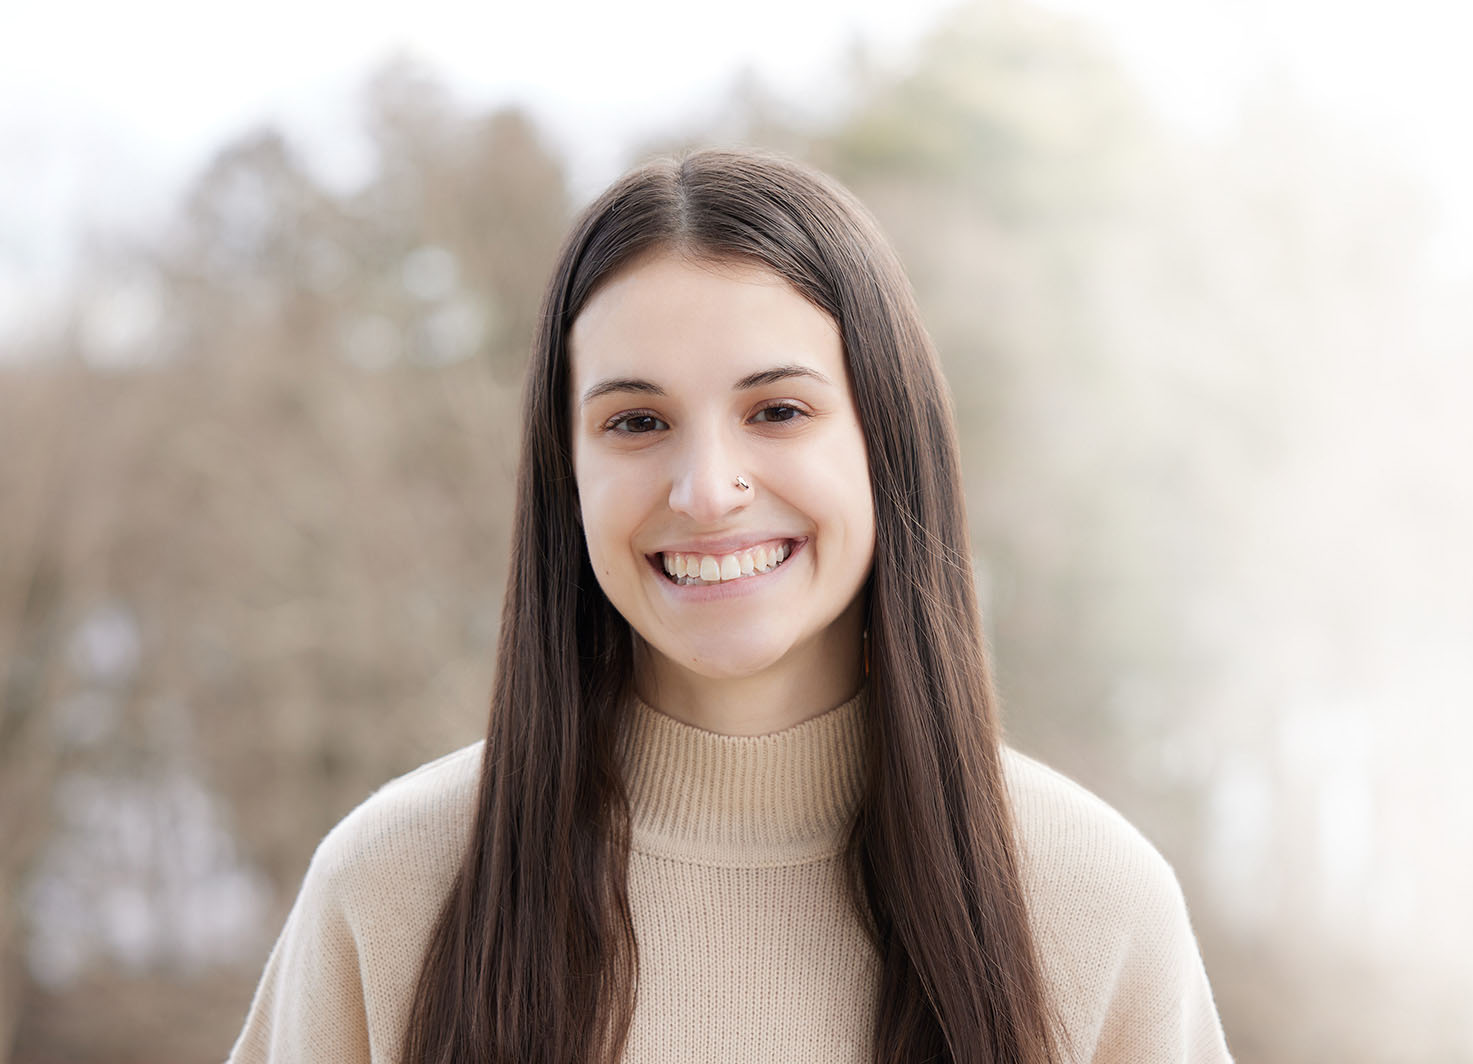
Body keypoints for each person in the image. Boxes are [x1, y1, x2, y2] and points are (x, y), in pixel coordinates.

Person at [226, 148, 1231, 1064]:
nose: (706, 488)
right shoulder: (392, 887)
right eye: (636, 420)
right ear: (561, 472)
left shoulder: (1091, 901)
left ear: (886, 438)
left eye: (777, 410)